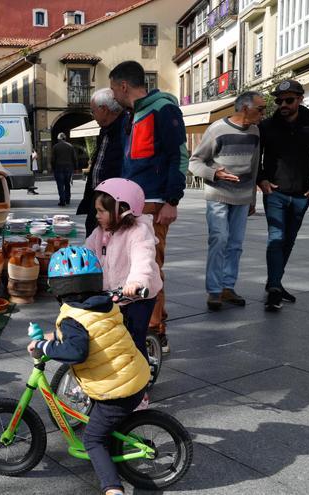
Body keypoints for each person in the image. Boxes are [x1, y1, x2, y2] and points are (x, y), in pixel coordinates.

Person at [28, 246, 150, 495]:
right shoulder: (103, 303)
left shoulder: (73, 318)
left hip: (117, 390)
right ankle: (114, 442)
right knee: (103, 425)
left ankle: (113, 489)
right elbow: (94, 335)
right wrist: (55, 338)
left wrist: (43, 345)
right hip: (135, 375)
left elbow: (76, 352)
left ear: (58, 288)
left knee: (92, 440)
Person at [109, 60, 187, 354]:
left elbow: (178, 155)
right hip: (134, 202)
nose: (113, 95)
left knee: (151, 267)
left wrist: (172, 200)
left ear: (123, 86)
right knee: (137, 266)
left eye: (113, 88)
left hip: (155, 203)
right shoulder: (132, 115)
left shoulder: (163, 108)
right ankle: (145, 326)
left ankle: (156, 332)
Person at [188, 91, 265, 310]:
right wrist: (216, 174)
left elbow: (254, 165)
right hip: (218, 194)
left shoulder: (255, 131)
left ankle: (227, 287)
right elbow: (195, 163)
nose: (263, 113)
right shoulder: (217, 129)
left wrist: (252, 199)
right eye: (260, 109)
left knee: (236, 244)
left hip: (242, 196)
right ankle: (214, 290)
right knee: (219, 239)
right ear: (244, 108)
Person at [257, 79, 309, 311]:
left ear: (300, 99)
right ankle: (276, 289)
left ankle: (274, 281)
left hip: (301, 194)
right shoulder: (267, 126)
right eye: (279, 101)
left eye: (289, 100)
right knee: (276, 237)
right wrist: (262, 179)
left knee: (288, 239)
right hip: (275, 192)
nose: (283, 104)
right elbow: (255, 156)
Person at [84, 178, 162, 388]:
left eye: (101, 210)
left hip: (138, 295)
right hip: (112, 294)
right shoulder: (99, 232)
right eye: (96, 210)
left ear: (123, 209)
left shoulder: (139, 232)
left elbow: (142, 259)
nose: (97, 215)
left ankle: (140, 386)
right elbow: (87, 254)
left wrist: (136, 282)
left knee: (134, 343)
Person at [78, 88, 125, 236]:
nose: (93, 116)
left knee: (106, 240)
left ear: (104, 109)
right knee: (93, 235)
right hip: (97, 196)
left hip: (112, 199)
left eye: (93, 111)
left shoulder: (124, 128)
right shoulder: (104, 130)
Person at [52, 132, 77, 206]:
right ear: (65, 138)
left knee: (60, 185)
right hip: (69, 167)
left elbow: (53, 159)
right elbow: (74, 158)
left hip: (59, 167)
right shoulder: (70, 146)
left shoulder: (55, 147)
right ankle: (67, 199)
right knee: (67, 184)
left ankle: (62, 201)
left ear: (59, 139)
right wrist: (75, 167)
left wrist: (53, 168)